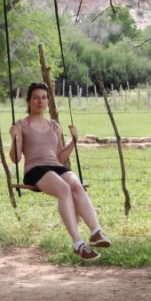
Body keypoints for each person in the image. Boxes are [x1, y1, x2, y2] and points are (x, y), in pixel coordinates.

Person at [9, 82, 111, 262]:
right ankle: (78, 244)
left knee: (76, 185)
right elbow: (15, 159)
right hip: (35, 169)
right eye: (36, 98)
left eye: (43, 98)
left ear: (48, 101)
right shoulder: (22, 125)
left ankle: (96, 232)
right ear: (29, 101)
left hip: (55, 166)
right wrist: (15, 138)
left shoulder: (54, 125)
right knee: (64, 189)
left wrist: (74, 141)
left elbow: (59, 157)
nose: (40, 101)